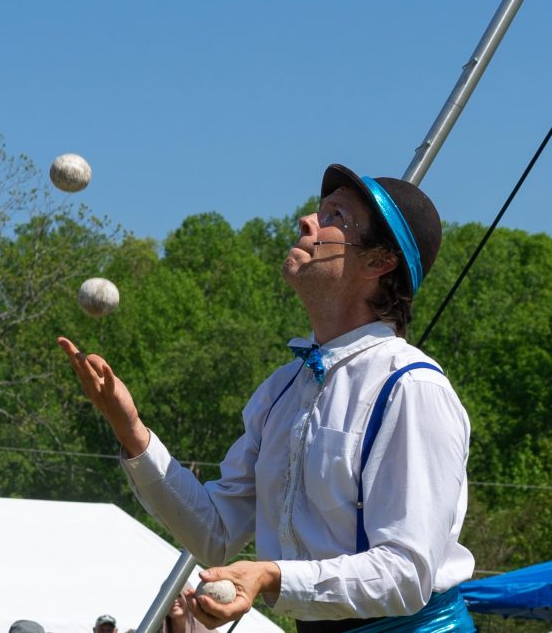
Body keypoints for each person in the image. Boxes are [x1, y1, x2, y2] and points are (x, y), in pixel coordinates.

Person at [59, 164, 475, 633]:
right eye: (320, 208)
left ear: (380, 262)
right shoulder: (282, 389)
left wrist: (271, 576)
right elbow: (215, 533)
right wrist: (130, 429)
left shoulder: (412, 388)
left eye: (336, 214)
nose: (306, 220)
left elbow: (406, 574)